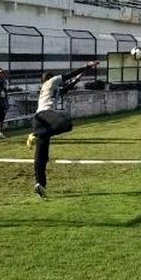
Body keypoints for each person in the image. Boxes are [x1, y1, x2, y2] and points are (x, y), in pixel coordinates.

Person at [29, 61, 99, 199]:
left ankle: (40, 185)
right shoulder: (50, 82)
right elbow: (68, 75)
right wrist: (87, 66)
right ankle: (35, 135)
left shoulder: (50, 90)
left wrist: (79, 78)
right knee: (66, 125)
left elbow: (66, 88)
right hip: (44, 116)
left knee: (41, 158)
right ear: (50, 78)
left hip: (38, 121)